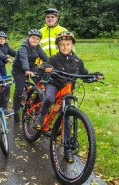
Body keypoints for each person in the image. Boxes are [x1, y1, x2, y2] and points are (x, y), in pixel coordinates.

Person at [39, 31, 103, 162]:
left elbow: (85, 74)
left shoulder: (77, 61)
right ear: (58, 46)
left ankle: (68, 147)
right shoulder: (54, 59)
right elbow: (45, 65)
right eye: (61, 44)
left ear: (72, 45)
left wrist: (95, 76)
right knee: (49, 98)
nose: (65, 47)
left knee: (67, 117)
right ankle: (41, 117)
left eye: (68, 44)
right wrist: (46, 68)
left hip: (67, 90)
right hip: (54, 85)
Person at [11, 29, 48, 122]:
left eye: (37, 39)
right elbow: (23, 59)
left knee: (42, 84)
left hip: (31, 67)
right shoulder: (23, 47)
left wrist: (48, 66)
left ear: (39, 40)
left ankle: (35, 104)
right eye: (33, 38)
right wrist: (26, 70)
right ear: (29, 38)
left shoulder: (38, 47)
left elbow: (46, 58)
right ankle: (16, 110)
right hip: (19, 69)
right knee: (19, 89)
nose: (35, 40)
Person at [0, 31, 16, 115]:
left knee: (6, 85)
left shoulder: (6, 45)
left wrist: (21, 55)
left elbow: (13, 52)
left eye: (3, 39)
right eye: (0, 39)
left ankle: (3, 106)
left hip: (2, 68)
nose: (2, 40)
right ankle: (0, 106)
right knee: (2, 86)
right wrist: (6, 58)